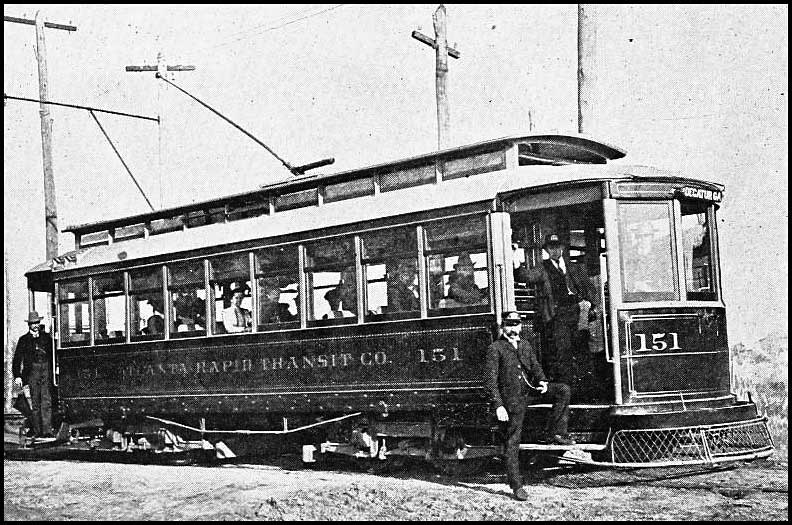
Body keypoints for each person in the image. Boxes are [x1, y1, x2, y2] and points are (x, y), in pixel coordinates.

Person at [485, 311, 573, 501]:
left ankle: (555, 432)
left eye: (517, 324)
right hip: (512, 400)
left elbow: (535, 366)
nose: (514, 328)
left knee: (563, 390)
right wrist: (499, 406)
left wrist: (542, 381)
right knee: (512, 442)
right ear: (503, 327)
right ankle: (516, 486)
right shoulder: (496, 348)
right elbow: (490, 381)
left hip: (529, 391)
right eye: (510, 324)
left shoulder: (525, 345)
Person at [518, 233, 596, 384]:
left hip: (577, 311)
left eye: (557, 247)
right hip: (558, 314)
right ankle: (567, 387)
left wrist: (589, 303)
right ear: (547, 249)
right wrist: (515, 261)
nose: (554, 250)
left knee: (582, 347)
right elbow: (526, 276)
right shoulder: (542, 268)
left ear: (562, 248)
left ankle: (585, 384)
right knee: (563, 350)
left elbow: (590, 288)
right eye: (551, 247)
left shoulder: (574, 267)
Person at [12, 311, 55, 438]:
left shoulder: (46, 338)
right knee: (35, 402)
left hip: (46, 370)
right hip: (32, 372)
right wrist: (18, 376)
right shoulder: (23, 340)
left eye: (37, 323)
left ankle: (47, 431)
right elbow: (17, 359)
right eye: (33, 323)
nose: (35, 325)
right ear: (29, 324)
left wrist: (55, 369)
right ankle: (37, 431)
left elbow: (53, 355)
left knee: (46, 401)